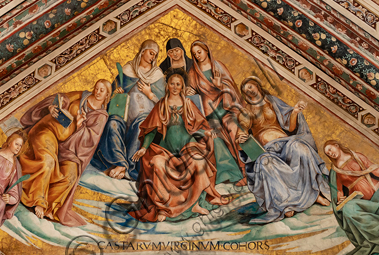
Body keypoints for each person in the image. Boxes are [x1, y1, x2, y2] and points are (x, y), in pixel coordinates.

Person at [130, 69, 230, 222]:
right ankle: (163, 208)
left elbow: (201, 126)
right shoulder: (161, 105)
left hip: (187, 150)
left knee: (199, 161)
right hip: (165, 152)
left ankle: (195, 204)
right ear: (167, 85)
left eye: (178, 84)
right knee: (156, 163)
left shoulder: (188, 104)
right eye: (172, 83)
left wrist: (208, 134)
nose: (175, 87)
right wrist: (144, 147)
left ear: (182, 87)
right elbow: (150, 130)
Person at [237, 77, 330, 223]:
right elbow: (243, 129)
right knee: (265, 163)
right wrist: (241, 135)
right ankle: (286, 205)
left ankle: (314, 194)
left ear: (257, 85)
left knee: (300, 148)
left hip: (286, 143)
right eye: (245, 91)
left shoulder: (272, 101)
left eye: (250, 87)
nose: (248, 91)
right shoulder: (246, 111)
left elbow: (290, 128)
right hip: (267, 150)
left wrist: (294, 112)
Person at [20, 80, 111, 225]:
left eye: (102, 90)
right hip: (50, 132)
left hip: (72, 148)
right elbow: (62, 98)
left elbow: (91, 139)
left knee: (71, 175)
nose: (98, 92)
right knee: (48, 162)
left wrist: (79, 126)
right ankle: (38, 200)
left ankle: (50, 207)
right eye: (96, 88)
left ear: (107, 95)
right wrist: (53, 107)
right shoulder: (82, 96)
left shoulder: (101, 116)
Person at [91, 40, 166, 180]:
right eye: (151, 53)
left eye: (155, 55)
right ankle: (120, 162)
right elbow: (110, 93)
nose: (153, 58)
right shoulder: (128, 69)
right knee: (112, 123)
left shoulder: (157, 74)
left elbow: (164, 103)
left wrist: (150, 94)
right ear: (143, 51)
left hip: (145, 115)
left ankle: (129, 167)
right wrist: (116, 92)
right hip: (123, 114)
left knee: (141, 126)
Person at [186, 40, 245, 186]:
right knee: (218, 138)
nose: (198, 56)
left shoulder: (218, 66)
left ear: (206, 50)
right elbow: (191, 91)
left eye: (199, 52)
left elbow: (232, 87)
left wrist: (221, 85)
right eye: (194, 54)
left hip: (225, 107)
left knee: (233, 130)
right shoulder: (193, 71)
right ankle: (231, 173)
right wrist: (189, 91)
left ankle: (245, 170)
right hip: (209, 112)